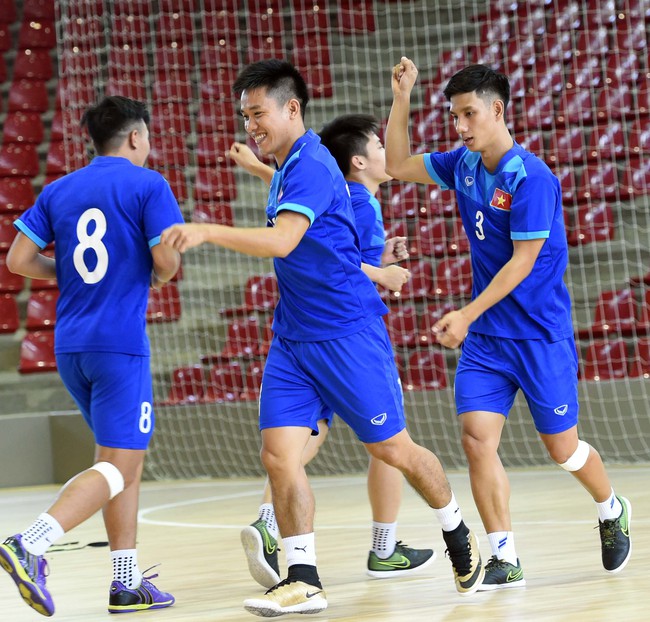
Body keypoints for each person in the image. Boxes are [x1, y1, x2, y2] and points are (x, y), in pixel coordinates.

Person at [161, 59, 484, 618]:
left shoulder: (309, 162)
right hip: (293, 337)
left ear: (292, 109)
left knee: (393, 450)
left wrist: (207, 229)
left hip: (347, 334)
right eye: (244, 117)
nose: (250, 127)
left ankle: (456, 530)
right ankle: (303, 577)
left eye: (258, 114)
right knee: (278, 455)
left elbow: (285, 242)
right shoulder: (287, 165)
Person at [384, 58, 632, 591]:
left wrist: (465, 313)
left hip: (540, 335)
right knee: (477, 439)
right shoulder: (462, 164)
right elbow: (397, 162)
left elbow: (521, 263)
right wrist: (403, 95)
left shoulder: (532, 177)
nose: (461, 126)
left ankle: (611, 508)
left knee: (563, 449)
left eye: (469, 114)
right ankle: (504, 555)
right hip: (489, 341)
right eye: (454, 117)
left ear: (497, 110)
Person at [229, 114, 435, 587]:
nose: (389, 153)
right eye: (380, 146)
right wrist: (380, 272)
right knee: (390, 444)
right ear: (359, 161)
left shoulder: (337, 188)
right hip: (346, 334)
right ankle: (383, 548)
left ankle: (268, 520)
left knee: (303, 439)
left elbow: (327, 240)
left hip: (319, 333)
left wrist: (380, 258)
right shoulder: (360, 201)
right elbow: (336, 262)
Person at [0, 96, 183, 616]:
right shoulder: (149, 185)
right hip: (119, 346)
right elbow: (166, 263)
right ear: (134, 138)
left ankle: (126, 583)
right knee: (119, 465)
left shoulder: (59, 189)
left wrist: (67, 274)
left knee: (119, 463)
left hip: (70, 345)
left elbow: (17, 260)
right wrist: (160, 267)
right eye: (146, 136)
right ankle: (29, 543)